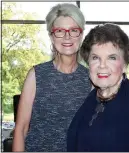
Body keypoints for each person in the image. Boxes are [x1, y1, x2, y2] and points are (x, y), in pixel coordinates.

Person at [67, 23, 129, 152]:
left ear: (125, 65)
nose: (102, 66)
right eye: (95, 58)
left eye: (112, 58)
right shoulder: (92, 99)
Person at [12, 3, 92, 152]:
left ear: (81, 35)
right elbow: (21, 128)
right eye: (60, 31)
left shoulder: (91, 79)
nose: (67, 36)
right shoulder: (36, 75)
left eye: (74, 30)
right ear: (51, 36)